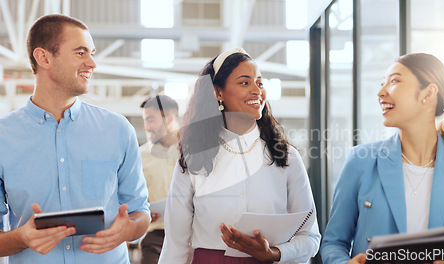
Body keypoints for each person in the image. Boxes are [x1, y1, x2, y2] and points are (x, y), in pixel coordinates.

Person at [0, 14, 150, 263]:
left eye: (91, 53)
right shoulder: (3, 137)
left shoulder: (118, 129)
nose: (92, 63)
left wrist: (129, 229)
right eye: (81, 53)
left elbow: (140, 212)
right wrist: (22, 237)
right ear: (44, 57)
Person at [320, 53, 444, 264]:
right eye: (383, 83)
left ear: (428, 93)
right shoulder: (360, 160)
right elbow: (333, 243)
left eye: (394, 81)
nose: (381, 93)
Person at [157, 48, 321, 264]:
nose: (256, 91)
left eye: (260, 83)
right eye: (245, 83)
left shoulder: (286, 157)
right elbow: (175, 244)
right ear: (217, 92)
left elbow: (310, 237)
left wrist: (274, 253)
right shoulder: (192, 157)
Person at [139, 95, 180, 264]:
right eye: (145, 121)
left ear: (169, 119)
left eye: (151, 120)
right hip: (156, 237)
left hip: (193, 235)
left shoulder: (195, 151)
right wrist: (142, 212)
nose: (146, 127)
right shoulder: (139, 156)